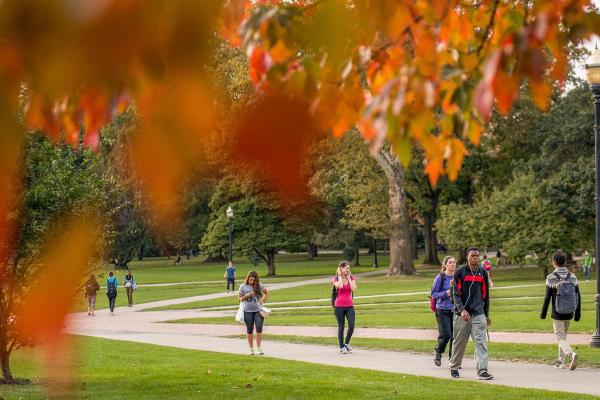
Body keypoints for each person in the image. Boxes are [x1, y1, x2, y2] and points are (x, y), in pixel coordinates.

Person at [449, 247, 493, 380]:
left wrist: (486, 314)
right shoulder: (460, 272)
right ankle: (454, 366)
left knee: (480, 341)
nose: (475, 258)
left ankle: (482, 370)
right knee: (460, 342)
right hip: (461, 314)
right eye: (473, 256)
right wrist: (462, 310)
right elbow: (455, 293)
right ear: (467, 257)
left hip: (478, 313)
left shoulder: (482, 273)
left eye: (477, 256)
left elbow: (485, 295)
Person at [540, 251, 581, 370]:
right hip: (570, 312)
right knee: (563, 337)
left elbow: (547, 297)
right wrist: (577, 313)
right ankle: (560, 361)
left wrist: (543, 314)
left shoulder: (551, 277)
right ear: (564, 262)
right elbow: (578, 295)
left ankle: (571, 354)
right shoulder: (572, 276)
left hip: (557, 313)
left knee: (560, 337)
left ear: (554, 263)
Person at [431, 256, 456, 366]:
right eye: (450, 262)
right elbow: (434, 294)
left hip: (455, 310)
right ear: (445, 265)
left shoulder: (457, 277)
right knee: (446, 334)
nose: (453, 264)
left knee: (455, 336)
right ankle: (438, 351)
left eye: (454, 262)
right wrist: (447, 293)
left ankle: (453, 359)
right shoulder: (440, 278)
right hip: (442, 310)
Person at [238, 271, 269, 355]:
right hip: (247, 311)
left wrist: (264, 300)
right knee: (250, 330)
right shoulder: (243, 286)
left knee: (259, 328)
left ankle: (259, 348)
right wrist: (247, 296)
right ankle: (251, 349)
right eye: (250, 279)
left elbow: (266, 292)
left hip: (258, 311)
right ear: (247, 278)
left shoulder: (259, 285)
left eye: (254, 280)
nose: (252, 282)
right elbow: (239, 299)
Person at [332, 260, 357, 354]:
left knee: (351, 325)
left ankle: (346, 344)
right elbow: (340, 286)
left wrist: (349, 278)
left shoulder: (351, 277)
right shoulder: (335, 279)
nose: (348, 270)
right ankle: (341, 347)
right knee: (341, 327)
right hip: (339, 307)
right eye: (346, 268)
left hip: (350, 306)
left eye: (349, 268)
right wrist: (339, 276)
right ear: (341, 269)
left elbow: (354, 288)